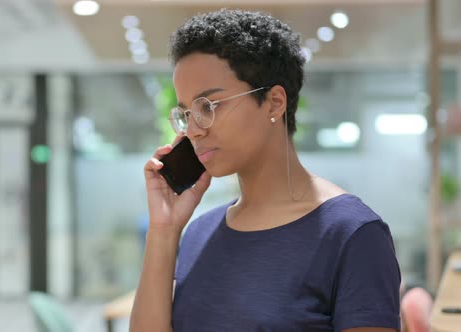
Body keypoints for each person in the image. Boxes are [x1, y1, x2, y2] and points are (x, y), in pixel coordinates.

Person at [130, 9, 401, 332]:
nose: (194, 130)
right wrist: (163, 231)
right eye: (187, 112)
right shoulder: (199, 233)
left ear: (274, 102)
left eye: (208, 106)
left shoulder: (351, 233)